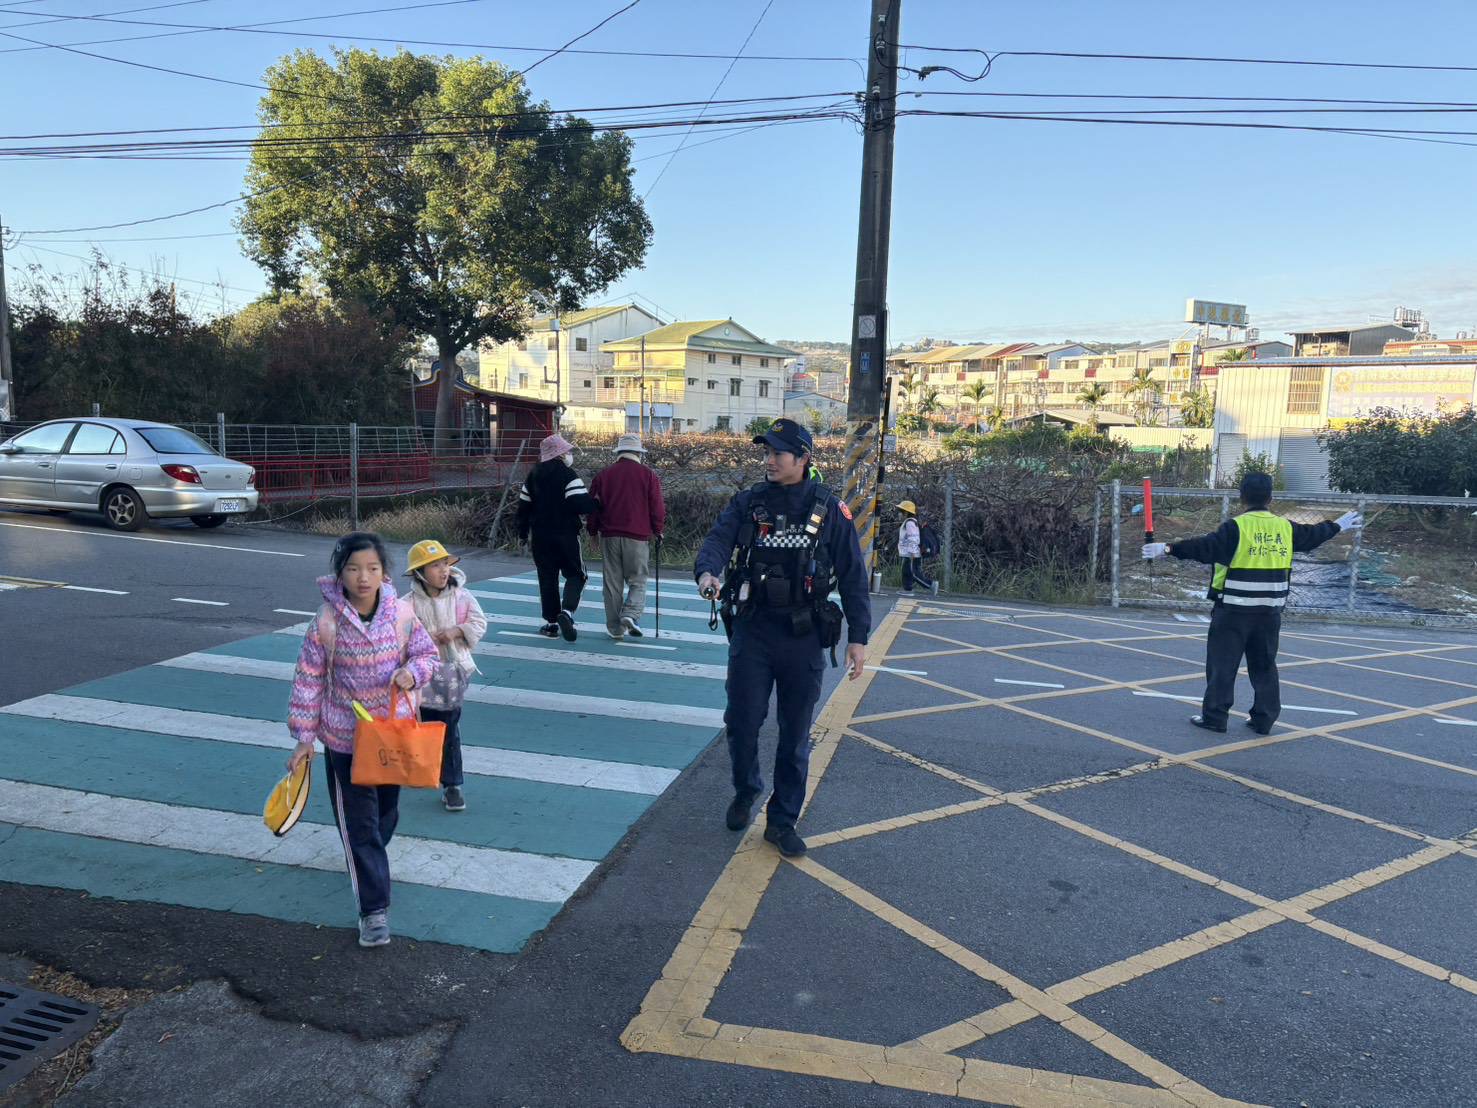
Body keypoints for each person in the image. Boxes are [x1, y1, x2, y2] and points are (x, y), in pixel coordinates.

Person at [695, 417, 871, 858]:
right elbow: (717, 542)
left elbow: (853, 576)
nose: (769, 460)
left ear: (803, 459)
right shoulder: (748, 504)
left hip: (805, 635)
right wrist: (708, 573)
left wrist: (859, 637)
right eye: (767, 452)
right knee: (740, 721)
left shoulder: (830, 511)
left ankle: (782, 820)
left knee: (794, 734)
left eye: (778, 452)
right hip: (754, 630)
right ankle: (746, 788)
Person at [286, 532, 439, 948]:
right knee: (361, 828)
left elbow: (427, 655)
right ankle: (374, 912)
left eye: (372, 568)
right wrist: (304, 738)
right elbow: (309, 679)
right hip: (344, 740)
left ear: (384, 572)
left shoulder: (402, 614)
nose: (363, 577)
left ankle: (367, 856)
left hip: (392, 736)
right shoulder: (326, 621)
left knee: (385, 816)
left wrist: (414, 673)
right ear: (341, 574)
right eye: (353, 569)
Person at [1143, 473, 1361, 735]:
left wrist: (1167, 549)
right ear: (1271, 497)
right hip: (1270, 611)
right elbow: (1313, 535)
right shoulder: (1285, 528)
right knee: (1264, 665)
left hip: (1234, 609)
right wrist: (1337, 526)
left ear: (1241, 497)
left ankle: (1215, 717)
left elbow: (1204, 548)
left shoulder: (1236, 527)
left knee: (1223, 665)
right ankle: (1263, 720)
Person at [404, 538, 488, 813]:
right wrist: (425, 640)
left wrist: (456, 631)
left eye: (444, 565)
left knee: (449, 726)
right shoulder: (407, 604)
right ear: (419, 573)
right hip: (422, 674)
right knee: (429, 725)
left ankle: (452, 784)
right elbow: (398, 636)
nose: (442, 571)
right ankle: (431, 772)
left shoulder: (461, 596)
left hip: (454, 670)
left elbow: (479, 623)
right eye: (434, 566)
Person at [516, 433, 598, 641]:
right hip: (566, 535)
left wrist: (522, 533)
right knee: (577, 574)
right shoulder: (568, 474)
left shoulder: (533, 474)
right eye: (567, 451)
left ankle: (551, 623)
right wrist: (596, 503)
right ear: (560, 453)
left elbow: (523, 508)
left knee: (547, 577)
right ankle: (567, 612)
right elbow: (581, 504)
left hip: (540, 537)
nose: (569, 453)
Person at [589, 433, 666, 639]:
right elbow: (657, 508)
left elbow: (593, 507)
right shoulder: (648, 475)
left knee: (612, 583)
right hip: (638, 536)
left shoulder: (603, 475)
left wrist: (592, 531)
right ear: (639, 453)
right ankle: (631, 613)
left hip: (609, 535)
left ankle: (615, 628)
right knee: (638, 579)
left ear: (619, 453)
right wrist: (658, 530)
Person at [896, 499, 939, 596]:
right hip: (909, 553)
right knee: (906, 572)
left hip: (912, 553)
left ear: (906, 513)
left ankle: (931, 585)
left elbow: (914, 539)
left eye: (900, 512)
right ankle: (908, 590)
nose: (899, 514)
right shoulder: (910, 522)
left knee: (913, 573)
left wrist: (911, 552)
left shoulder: (910, 523)